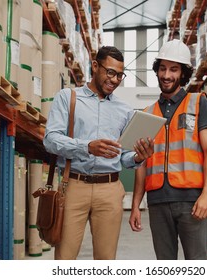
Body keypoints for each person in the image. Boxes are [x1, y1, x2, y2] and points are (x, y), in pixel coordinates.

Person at [44, 46, 154, 260]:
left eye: (120, 75)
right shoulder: (68, 98)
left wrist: (138, 157)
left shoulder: (124, 110)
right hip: (74, 186)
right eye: (110, 72)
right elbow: (50, 139)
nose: (114, 80)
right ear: (95, 66)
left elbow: (124, 156)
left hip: (110, 190)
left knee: (106, 260)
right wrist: (86, 147)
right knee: (64, 259)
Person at [129, 39, 207, 260]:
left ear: (183, 73)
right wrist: (135, 205)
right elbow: (141, 163)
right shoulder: (148, 113)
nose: (166, 75)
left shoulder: (199, 104)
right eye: (162, 68)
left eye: (173, 69)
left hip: (191, 201)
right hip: (158, 201)